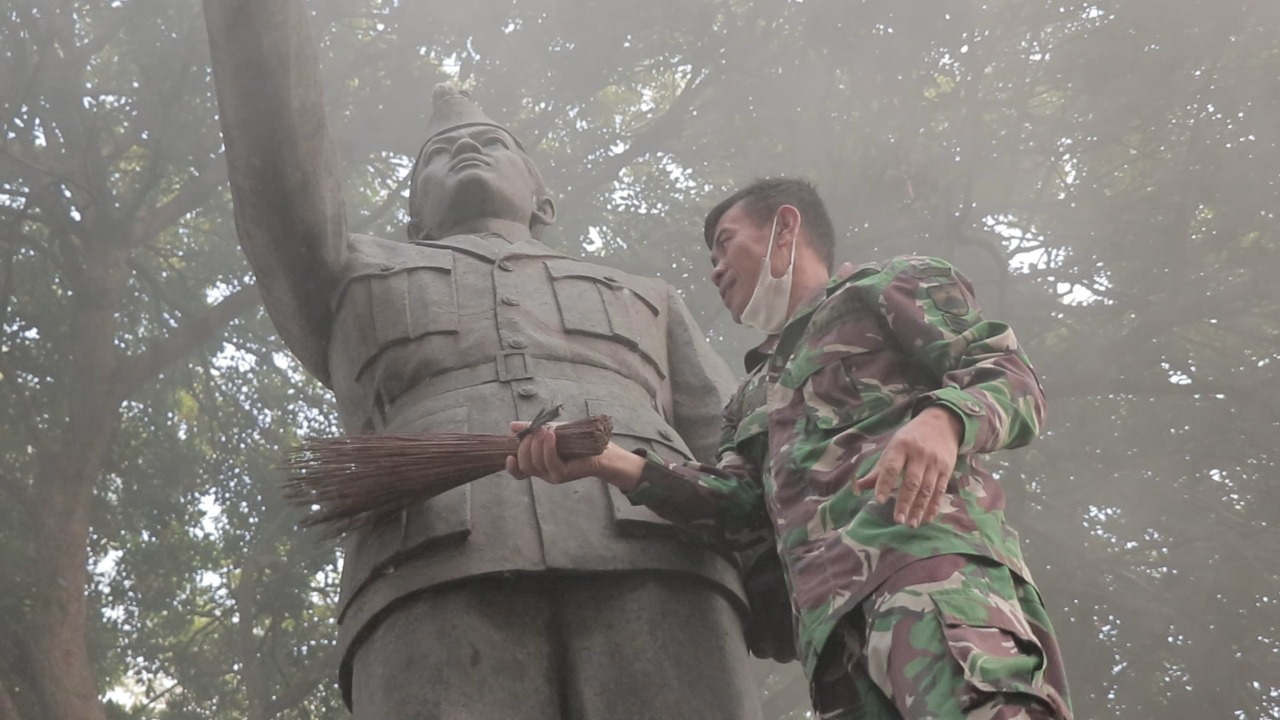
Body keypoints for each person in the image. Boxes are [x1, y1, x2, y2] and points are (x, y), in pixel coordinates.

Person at [204, 3, 768, 713]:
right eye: (437, 156)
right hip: (431, 560)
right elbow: (279, 170)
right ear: (412, 216)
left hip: (664, 552)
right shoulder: (347, 275)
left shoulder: (646, 295)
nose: (464, 152)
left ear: (546, 198)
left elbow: (740, 444)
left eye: (493, 144)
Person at [509, 177, 1073, 719]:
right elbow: (737, 507)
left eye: (724, 244)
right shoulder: (751, 395)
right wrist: (609, 461)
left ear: (784, 229)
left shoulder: (886, 287)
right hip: (830, 644)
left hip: (930, 573)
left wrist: (945, 419)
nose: (715, 271)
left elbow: (1009, 374)